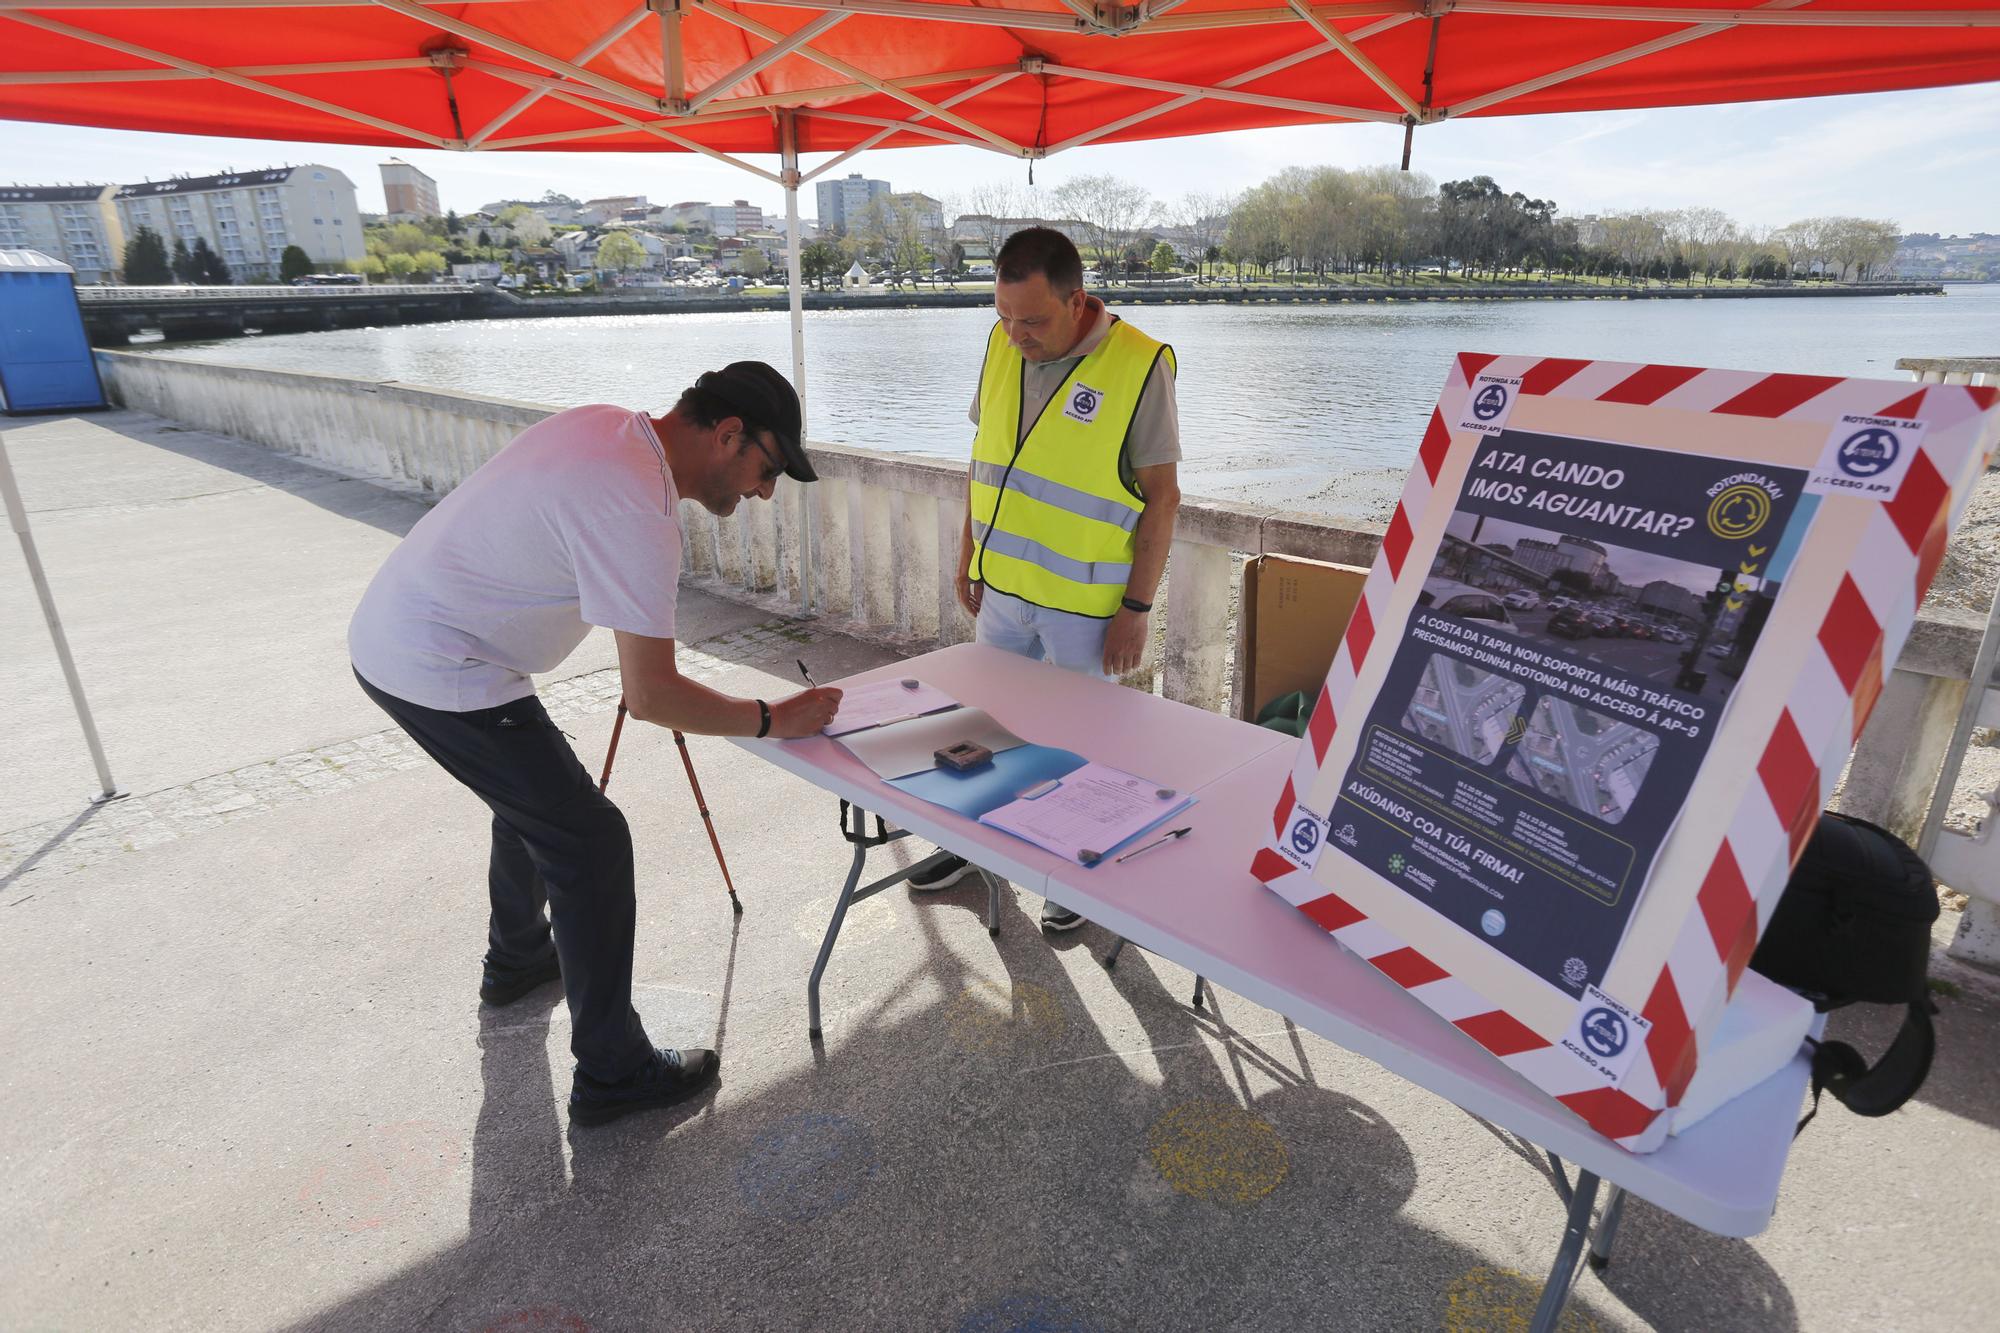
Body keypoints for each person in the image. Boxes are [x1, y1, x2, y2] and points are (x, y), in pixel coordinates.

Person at [349, 362, 842, 1126]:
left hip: (409, 634)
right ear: (728, 433)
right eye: (767, 468)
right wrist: (777, 716)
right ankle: (612, 1071)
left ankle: (517, 960)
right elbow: (652, 696)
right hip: (438, 662)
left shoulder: (609, 426)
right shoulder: (640, 506)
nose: (765, 492)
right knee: (591, 842)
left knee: (538, 804)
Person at [909, 228, 1183, 930]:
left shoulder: (1139, 364)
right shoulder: (1001, 345)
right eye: (1004, 316)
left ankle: (1073, 872)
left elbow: (1163, 497)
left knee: (1087, 746)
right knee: (987, 729)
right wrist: (968, 556)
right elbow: (984, 460)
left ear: (1076, 300)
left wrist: (1137, 606)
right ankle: (973, 845)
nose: (1016, 335)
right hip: (1002, 591)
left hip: (1086, 610)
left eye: (1031, 320)